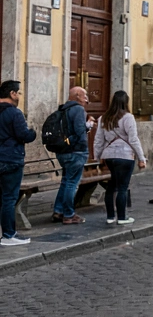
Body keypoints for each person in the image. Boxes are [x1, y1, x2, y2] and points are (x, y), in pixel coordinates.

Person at [92, 90, 145, 226]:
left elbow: (98, 140)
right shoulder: (128, 118)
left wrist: (97, 157)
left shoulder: (103, 118)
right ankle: (122, 217)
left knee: (111, 186)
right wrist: (141, 157)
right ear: (126, 102)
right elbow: (133, 139)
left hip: (109, 155)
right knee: (122, 187)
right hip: (125, 155)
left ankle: (110, 217)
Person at [0, 81, 36, 246]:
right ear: (12, 94)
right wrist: (33, 132)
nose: (19, 96)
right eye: (19, 93)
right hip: (10, 159)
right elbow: (24, 135)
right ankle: (8, 235)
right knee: (8, 198)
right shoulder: (14, 113)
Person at [51, 87, 91, 225]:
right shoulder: (78, 109)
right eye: (84, 95)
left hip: (62, 151)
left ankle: (58, 211)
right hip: (75, 152)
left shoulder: (62, 109)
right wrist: (84, 147)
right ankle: (68, 214)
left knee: (66, 181)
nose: (87, 98)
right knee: (71, 183)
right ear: (77, 96)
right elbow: (80, 132)